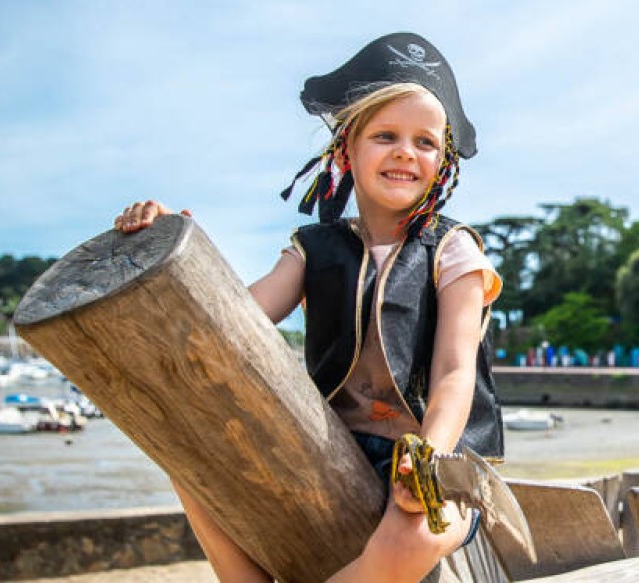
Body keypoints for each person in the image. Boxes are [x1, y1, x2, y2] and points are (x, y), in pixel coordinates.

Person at [115, 32, 502, 583]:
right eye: (386, 135)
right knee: (189, 461)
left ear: (443, 163)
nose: (405, 153)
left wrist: (431, 456)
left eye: (426, 142)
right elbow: (233, 320)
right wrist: (170, 243)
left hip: (431, 456)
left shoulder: (454, 250)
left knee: (419, 529)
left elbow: (455, 370)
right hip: (326, 448)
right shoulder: (312, 249)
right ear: (345, 149)